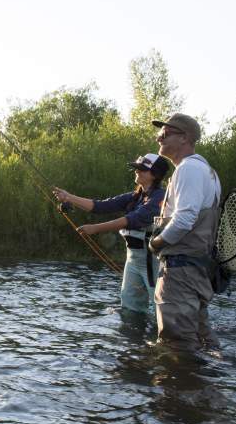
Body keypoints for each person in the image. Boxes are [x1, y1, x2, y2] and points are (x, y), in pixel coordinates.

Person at [53, 153, 169, 316]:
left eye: (142, 169)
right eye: (136, 168)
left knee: (162, 307)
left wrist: (95, 228)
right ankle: (134, 339)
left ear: (155, 175)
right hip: (133, 259)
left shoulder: (160, 197)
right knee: (130, 306)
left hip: (152, 261)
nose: (137, 171)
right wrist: (68, 197)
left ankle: (171, 338)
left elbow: (132, 219)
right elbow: (100, 206)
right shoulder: (134, 196)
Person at [148, 113, 222, 351]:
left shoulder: (188, 169)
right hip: (196, 269)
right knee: (203, 340)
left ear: (185, 138)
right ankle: (211, 384)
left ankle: (183, 386)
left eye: (166, 133)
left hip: (180, 270)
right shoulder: (206, 170)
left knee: (176, 343)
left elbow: (185, 219)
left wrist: (157, 243)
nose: (159, 137)